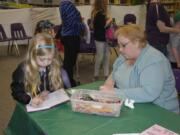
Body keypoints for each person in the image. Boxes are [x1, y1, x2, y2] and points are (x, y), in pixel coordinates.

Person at [100, 24, 179, 113]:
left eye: (123, 45)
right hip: (134, 107)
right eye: (119, 45)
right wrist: (109, 84)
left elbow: (149, 93)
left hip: (161, 112)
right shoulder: (125, 55)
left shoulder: (154, 60)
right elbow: (114, 73)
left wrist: (115, 93)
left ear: (137, 42)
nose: (120, 50)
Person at [11, 33, 69, 107]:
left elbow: (53, 84)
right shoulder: (23, 69)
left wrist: (49, 91)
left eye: (49, 59)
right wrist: (29, 100)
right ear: (33, 55)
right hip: (28, 103)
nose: (46, 63)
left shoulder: (52, 65)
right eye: (42, 59)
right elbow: (16, 91)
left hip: (45, 102)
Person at [59, 0, 85, 87]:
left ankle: (68, 81)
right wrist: (83, 24)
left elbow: (68, 21)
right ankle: (68, 83)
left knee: (69, 61)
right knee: (69, 62)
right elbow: (73, 23)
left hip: (68, 36)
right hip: (71, 37)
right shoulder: (68, 4)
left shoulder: (63, 4)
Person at [91, 0, 112, 81]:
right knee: (100, 57)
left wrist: (108, 20)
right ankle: (95, 75)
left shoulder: (101, 13)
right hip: (100, 39)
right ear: (102, 3)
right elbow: (103, 26)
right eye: (105, 2)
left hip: (105, 38)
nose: (107, 4)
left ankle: (106, 75)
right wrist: (109, 20)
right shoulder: (98, 13)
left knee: (106, 56)